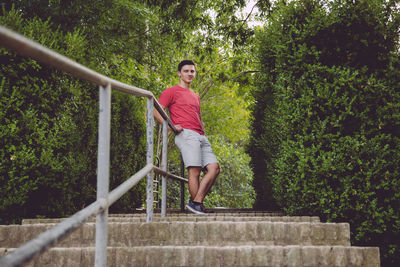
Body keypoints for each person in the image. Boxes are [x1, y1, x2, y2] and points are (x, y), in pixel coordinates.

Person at [154, 60, 220, 214]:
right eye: (186, 71)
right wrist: (170, 125)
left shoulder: (195, 96)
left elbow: (197, 116)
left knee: (214, 168)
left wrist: (203, 131)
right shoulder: (171, 91)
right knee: (195, 170)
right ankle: (198, 206)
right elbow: (156, 110)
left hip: (201, 135)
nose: (190, 74)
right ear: (179, 73)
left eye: (192, 71)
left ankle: (196, 202)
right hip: (185, 134)